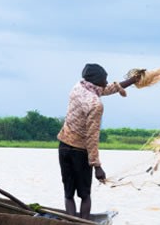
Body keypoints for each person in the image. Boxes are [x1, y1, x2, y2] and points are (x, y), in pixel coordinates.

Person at [57, 63, 140, 220]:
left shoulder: (78, 87)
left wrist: (132, 81)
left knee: (69, 194)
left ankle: (69, 222)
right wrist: (97, 167)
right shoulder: (95, 104)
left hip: (63, 147)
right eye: (105, 79)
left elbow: (106, 89)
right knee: (85, 195)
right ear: (97, 80)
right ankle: (83, 222)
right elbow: (92, 137)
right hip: (79, 151)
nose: (107, 82)